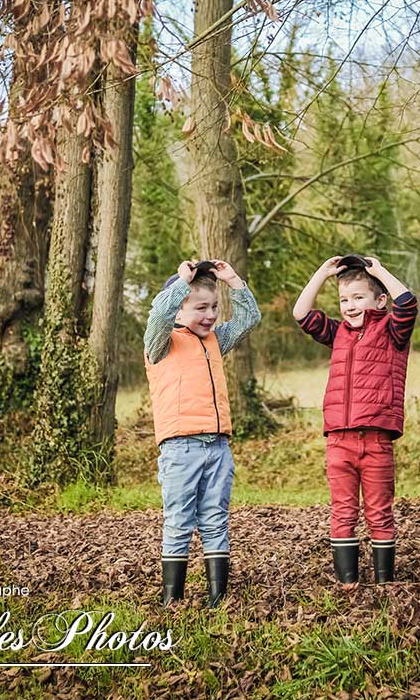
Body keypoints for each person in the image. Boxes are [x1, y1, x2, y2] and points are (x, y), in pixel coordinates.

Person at [293, 254, 418, 587]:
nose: (349, 306)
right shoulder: (338, 334)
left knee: (379, 512)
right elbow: (301, 313)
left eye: (358, 298)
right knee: (343, 512)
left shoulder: (392, 332)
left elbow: (406, 303)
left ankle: (384, 582)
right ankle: (347, 583)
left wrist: (379, 272)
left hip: (376, 440)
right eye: (344, 300)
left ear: (379, 300)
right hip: (338, 441)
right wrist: (322, 273)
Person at [143, 259, 261, 607]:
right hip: (181, 448)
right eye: (200, 308)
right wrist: (182, 281)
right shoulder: (160, 343)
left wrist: (233, 281)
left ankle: (216, 596)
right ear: (179, 307)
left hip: (218, 446)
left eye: (214, 307)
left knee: (215, 518)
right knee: (179, 520)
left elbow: (248, 319)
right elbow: (159, 315)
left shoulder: (214, 341)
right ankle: (172, 597)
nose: (210, 315)